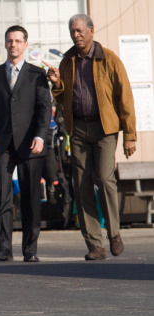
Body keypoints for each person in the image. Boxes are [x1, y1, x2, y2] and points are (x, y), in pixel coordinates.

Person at [44, 14, 136, 260]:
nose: (76, 35)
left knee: (105, 179)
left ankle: (114, 233)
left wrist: (130, 135)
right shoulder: (67, 61)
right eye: (73, 31)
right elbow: (63, 99)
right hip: (78, 130)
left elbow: (124, 97)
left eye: (80, 30)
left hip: (105, 129)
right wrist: (57, 84)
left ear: (92, 31)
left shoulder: (109, 59)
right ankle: (95, 244)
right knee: (81, 184)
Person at [0, 25, 52, 262]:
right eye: (10, 41)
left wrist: (41, 136)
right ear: (5, 43)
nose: (13, 45)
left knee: (30, 198)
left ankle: (30, 250)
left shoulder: (37, 74)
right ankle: (2, 248)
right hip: (2, 144)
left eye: (18, 41)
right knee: (2, 196)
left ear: (26, 44)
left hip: (31, 144)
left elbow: (44, 109)